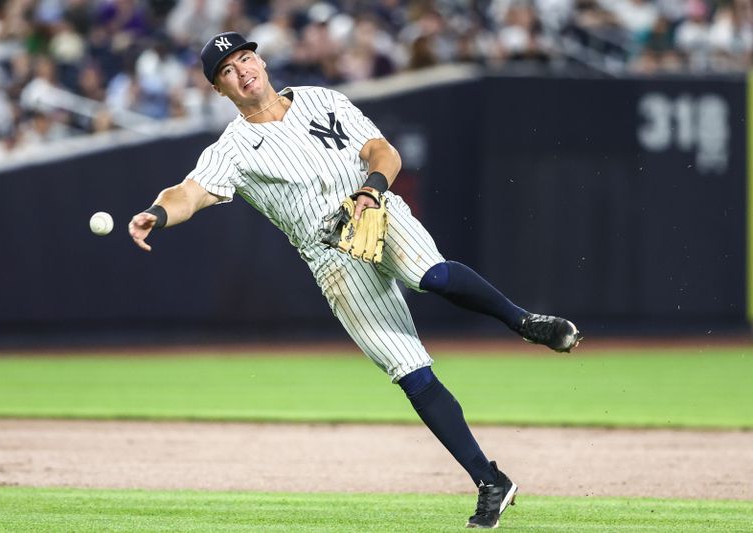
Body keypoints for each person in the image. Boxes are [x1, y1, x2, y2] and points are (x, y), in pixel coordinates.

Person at [128, 32, 582, 530]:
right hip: (333, 262)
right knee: (410, 371)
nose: (243, 69)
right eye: (228, 69)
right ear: (220, 89)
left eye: (246, 56)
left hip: (377, 213)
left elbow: (384, 153)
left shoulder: (322, 100)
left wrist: (369, 192)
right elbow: (188, 193)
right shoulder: (233, 148)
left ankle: (523, 322)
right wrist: (156, 213)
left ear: (260, 59)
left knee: (426, 273)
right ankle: (491, 481)